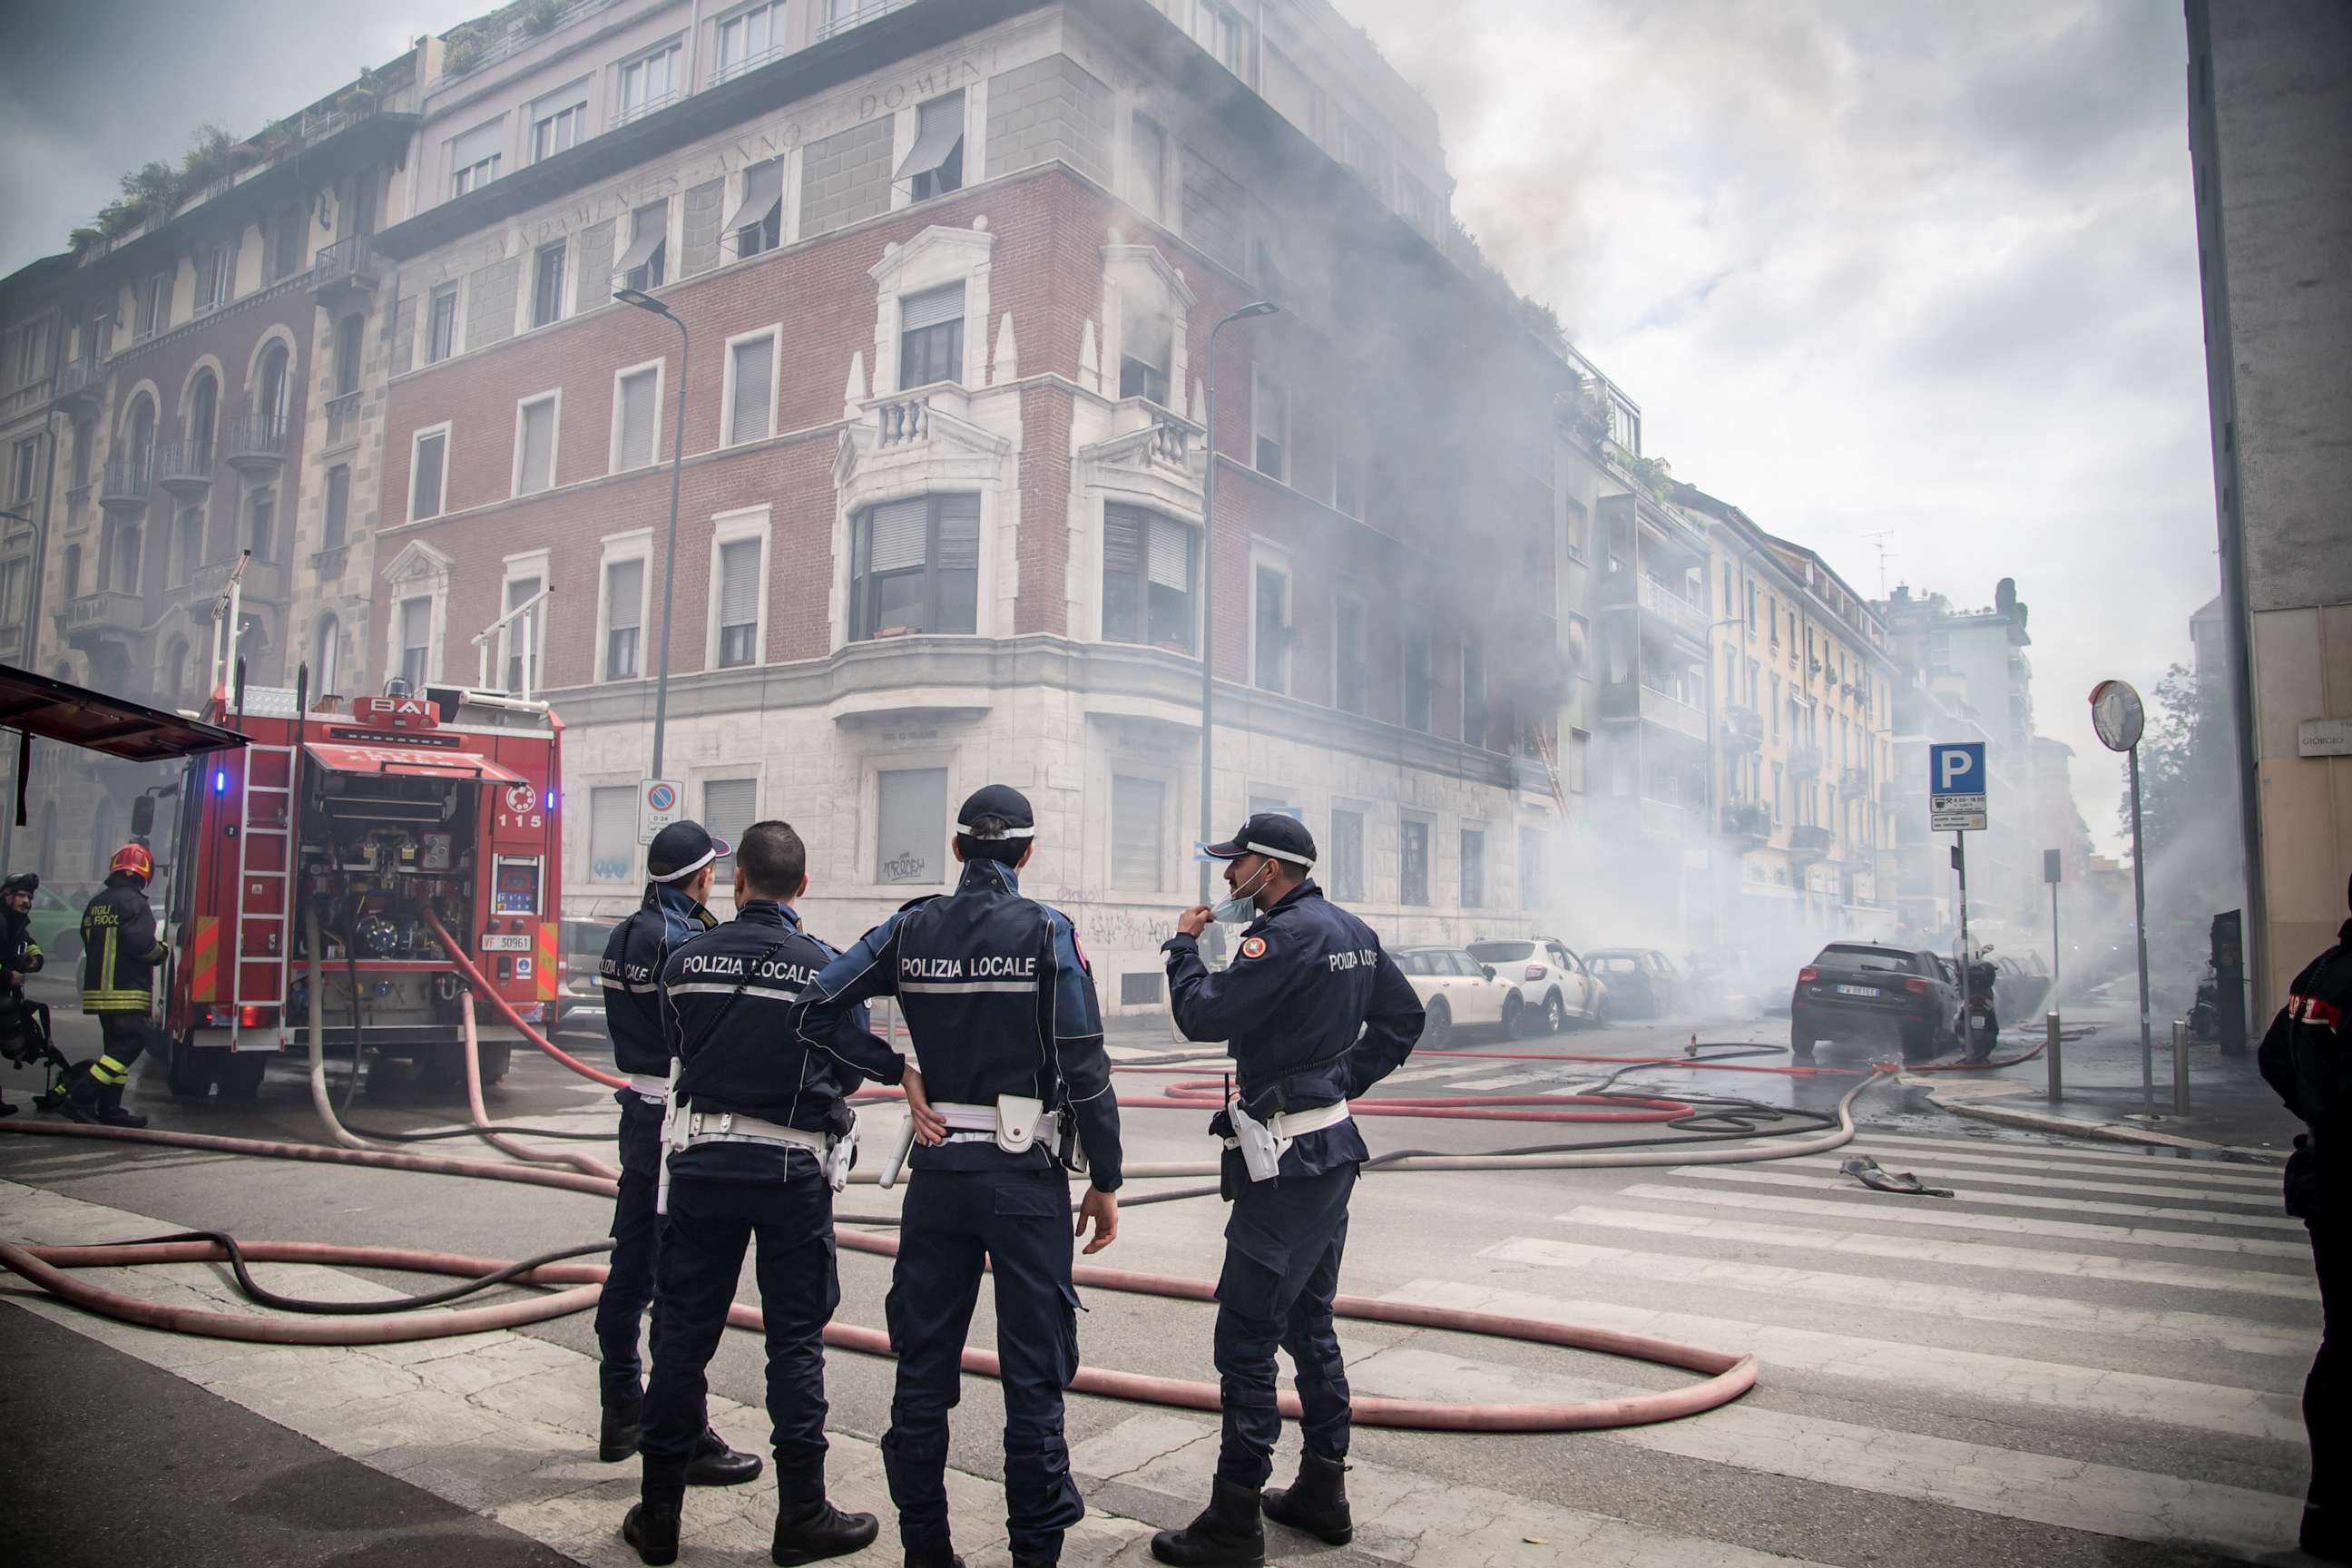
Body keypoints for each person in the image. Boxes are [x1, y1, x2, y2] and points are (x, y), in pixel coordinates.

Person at [791, 784, 1122, 1568]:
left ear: (957, 850)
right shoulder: (1048, 931)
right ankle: (1034, 1555)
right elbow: (1084, 1063)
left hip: (938, 1173)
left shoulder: (910, 927)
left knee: (923, 1368)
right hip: (1024, 1175)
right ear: (1027, 853)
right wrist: (1105, 1178)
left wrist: (895, 1068)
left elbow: (814, 1007)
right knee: (1034, 1380)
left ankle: (925, 1551)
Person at [1149, 813, 1424, 1568]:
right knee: (1310, 1321)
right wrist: (1341, 1082)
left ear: (1269, 869)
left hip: (1290, 1163)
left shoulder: (1281, 936)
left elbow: (1202, 1015)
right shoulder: (1352, 930)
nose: (1227, 879)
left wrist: (1182, 945)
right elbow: (1404, 1018)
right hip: (1327, 1151)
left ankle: (1234, 1521)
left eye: (1235, 866)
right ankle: (1322, 1492)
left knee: (1246, 1336)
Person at [622, 820, 889, 1567]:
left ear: (737, 881)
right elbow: (849, 1071)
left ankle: (660, 1517)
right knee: (795, 1343)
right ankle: (802, 1515)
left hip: (703, 1164)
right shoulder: (828, 970)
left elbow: (676, 1042)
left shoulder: (684, 959)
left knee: (682, 1339)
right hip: (791, 1173)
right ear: (802, 887)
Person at [593, 819, 760, 1490]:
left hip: (638, 1113)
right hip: (678, 1119)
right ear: (702, 876)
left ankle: (621, 1411)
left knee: (629, 1267)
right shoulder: (688, 942)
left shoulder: (623, 934)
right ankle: (683, 1433)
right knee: (680, 1285)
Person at [2259, 871, 2352, 1562]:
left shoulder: (2322, 970)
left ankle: (2327, 1508)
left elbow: (2273, 1057)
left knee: (2343, 1344)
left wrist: (2315, 1115)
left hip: (2327, 1179)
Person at [59, 844, 173, 1128]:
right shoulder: (135, 903)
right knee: (131, 1045)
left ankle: (110, 1107)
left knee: (114, 1049)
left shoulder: (96, 904)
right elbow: (143, 947)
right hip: (126, 992)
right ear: (144, 872)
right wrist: (162, 951)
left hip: (99, 993)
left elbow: (88, 939)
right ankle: (80, 1098)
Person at [0, 871, 48, 1116]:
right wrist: (8, 976)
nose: (26, 901)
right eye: (21, 895)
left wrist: (36, 959)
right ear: (7, 896)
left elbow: (27, 943)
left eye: (29, 896)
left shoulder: (16, 922)